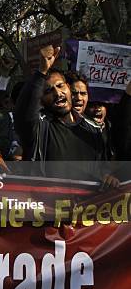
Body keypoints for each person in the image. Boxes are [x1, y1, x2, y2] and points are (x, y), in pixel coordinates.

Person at [14, 45, 121, 187]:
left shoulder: (94, 130)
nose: (58, 93)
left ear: (69, 89)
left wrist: (108, 179)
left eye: (60, 86)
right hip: (47, 207)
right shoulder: (39, 128)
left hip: (85, 207)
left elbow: (101, 171)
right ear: (41, 100)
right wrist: (42, 72)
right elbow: (23, 113)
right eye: (48, 91)